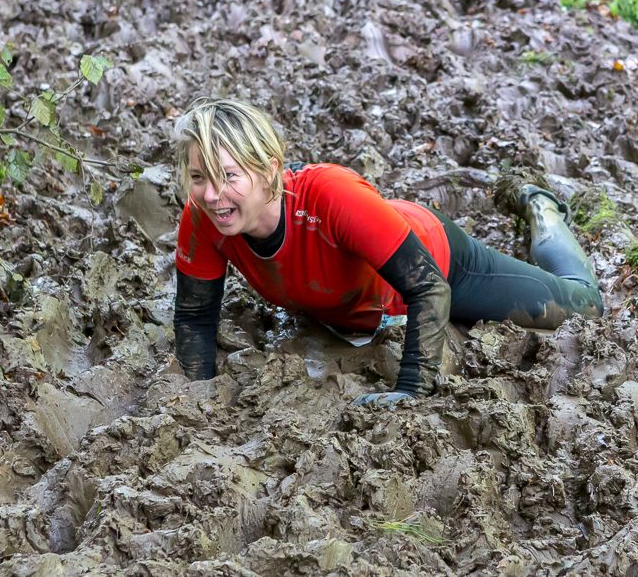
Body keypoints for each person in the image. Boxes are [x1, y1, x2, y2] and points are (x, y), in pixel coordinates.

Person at [173, 98, 603, 405]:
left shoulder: (329, 194)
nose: (212, 195)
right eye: (199, 177)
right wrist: (200, 397)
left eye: (228, 176)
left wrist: (411, 388)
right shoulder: (204, 217)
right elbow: (195, 316)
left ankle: (540, 206)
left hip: (441, 263)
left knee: (584, 303)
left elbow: (430, 288)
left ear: (269, 169)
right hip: (359, 288)